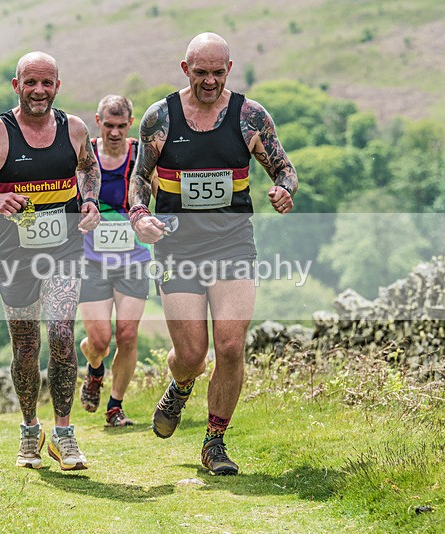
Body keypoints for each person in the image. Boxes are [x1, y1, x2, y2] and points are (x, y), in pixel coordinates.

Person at [127, 32, 298, 475]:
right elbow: (139, 177)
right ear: (185, 69)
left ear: (229, 69)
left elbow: (284, 167)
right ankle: (181, 384)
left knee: (231, 345)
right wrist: (139, 214)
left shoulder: (250, 116)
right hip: (177, 246)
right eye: (200, 72)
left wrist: (284, 189)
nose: (209, 81)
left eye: (217, 73)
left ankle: (214, 442)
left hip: (232, 244)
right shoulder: (161, 117)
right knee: (192, 355)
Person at [0, 51, 101, 470]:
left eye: (47, 83)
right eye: (30, 82)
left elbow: (89, 168)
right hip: (15, 257)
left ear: (57, 86)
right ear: (17, 85)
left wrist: (89, 200)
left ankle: (65, 434)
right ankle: (30, 429)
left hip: (65, 250)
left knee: (61, 333)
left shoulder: (74, 129)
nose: (39, 90)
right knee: (26, 347)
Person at [78, 95, 150, 427]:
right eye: (109, 125)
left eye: (122, 126)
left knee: (128, 334)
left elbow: (159, 191)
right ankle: (94, 370)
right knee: (99, 340)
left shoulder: (140, 156)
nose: (116, 132)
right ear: (98, 122)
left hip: (133, 259)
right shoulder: (85, 155)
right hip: (92, 260)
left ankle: (115, 406)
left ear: (130, 123)